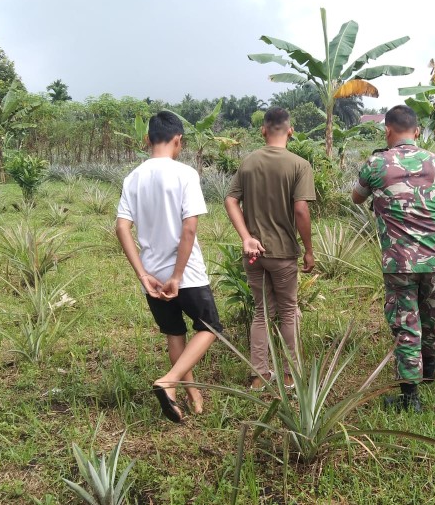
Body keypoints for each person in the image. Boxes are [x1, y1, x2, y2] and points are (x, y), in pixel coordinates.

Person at [116, 110, 222, 423]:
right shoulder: (185, 174)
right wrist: (177, 275)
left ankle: (191, 396)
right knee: (210, 327)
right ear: (178, 140)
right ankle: (170, 382)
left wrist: (143, 275)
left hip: (152, 275)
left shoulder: (133, 178)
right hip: (186, 274)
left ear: (147, 138)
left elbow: (122, 228)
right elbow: (189, 228)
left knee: (175, 334)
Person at [351, 105, 435, 412]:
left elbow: (356, 197)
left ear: (387, 130)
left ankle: (410, 398)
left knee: (407, 322)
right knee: (430, 315)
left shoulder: (376, 163)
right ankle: (429, 372)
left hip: (399, 260)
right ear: (417, 132)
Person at [224, 107, 315, 390]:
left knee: (261, 312)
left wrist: (246, 237)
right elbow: (301, 210)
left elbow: (230, 200)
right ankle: (289, 375)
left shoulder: (248, 162)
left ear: (263, 130)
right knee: (288, 311)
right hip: (283, 252)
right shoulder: (299, 165)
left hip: (254, 253)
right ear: (290, 131)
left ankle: (259, 377)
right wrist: (309, 249)